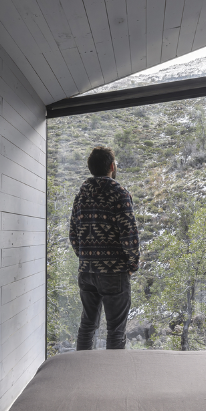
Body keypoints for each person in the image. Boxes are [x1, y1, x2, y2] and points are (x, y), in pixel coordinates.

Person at [69, 146, 139, 350]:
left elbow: (73, 233)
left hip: (87, 272)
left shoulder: (81, 194)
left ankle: (82, 367)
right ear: (112, 166)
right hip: (114, 273)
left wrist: (85, 257)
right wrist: (132, 264)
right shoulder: (119, 193)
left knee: (87, 326)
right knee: (115, 331)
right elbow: (129, 234)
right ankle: (113, 371)